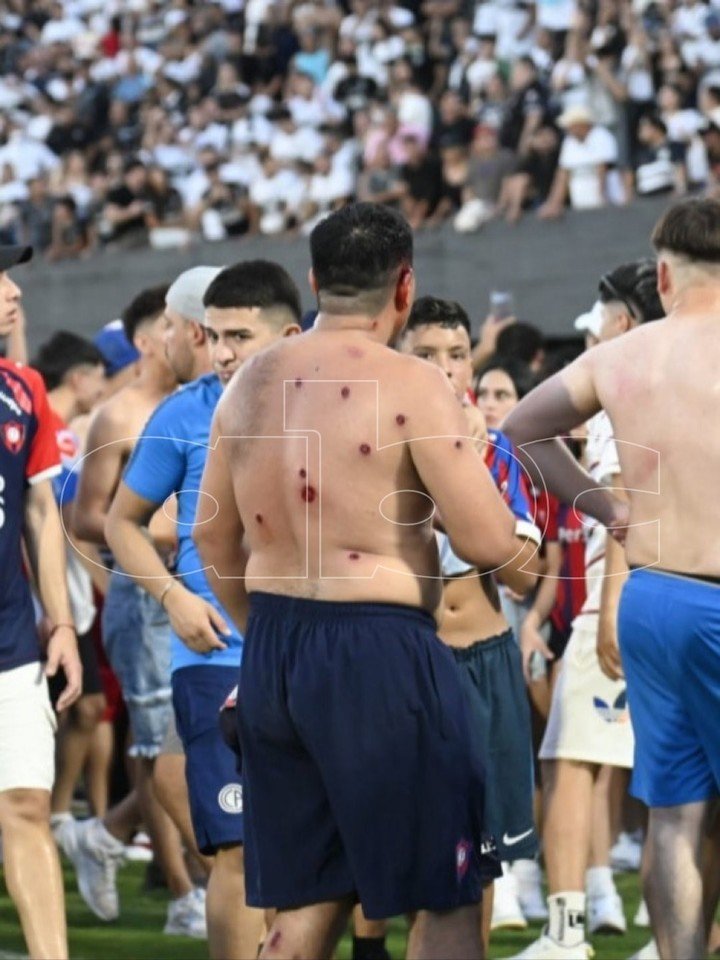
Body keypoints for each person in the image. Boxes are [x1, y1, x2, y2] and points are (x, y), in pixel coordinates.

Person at [194, 203, 520, 960]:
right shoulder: (411, 381)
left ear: (314, 281)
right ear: (404, 287)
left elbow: (212, 534)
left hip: (274, 646)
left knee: (306, 904)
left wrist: (259, 630)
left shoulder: (247, 385)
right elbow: (488, 540)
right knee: (443, 895)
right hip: (380, 649)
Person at [504, 198, 720, 960]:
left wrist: (608, 508)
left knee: (676, 809)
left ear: (663, 276)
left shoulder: (623, 355)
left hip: (655, 595)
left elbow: (521, 429)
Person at [105, 261, 303, 959]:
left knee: (309, 857)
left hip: (309, 655)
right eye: (214, 336)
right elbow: (120, 522)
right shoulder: (183, 413)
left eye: (239, 336)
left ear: (288, 334)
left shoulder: (332, 406)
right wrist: (172, 595)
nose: (221, 353)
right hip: (213, 653)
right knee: (239, 852)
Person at [506, 258, 664, 960]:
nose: (591, 339)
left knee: (567, 763)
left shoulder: (621, 393)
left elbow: (624, 504)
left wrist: (608, 612)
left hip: (620, 602)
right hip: (681, 598)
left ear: (623, 321)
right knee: (680, 779)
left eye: (598, 324)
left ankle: (565, 931)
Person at [399, 295, 541, 946]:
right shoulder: (375, 446)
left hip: (487, 657)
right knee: (423, 864)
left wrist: (471, 476)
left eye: (457, 355)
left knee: (481, 864)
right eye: (424, 354)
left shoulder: (499, 452)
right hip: (415, 665)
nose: (444, 369)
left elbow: (523, 573)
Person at [68, 284, 203, 937]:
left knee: (183, 739)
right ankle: (184, 892)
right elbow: (87, 514)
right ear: (153, 339)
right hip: (137, 591)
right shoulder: (118, 416)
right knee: (155, 743)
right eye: (183, 327)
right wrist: (163, 532)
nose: (196, 339)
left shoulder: (195, 405)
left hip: (195, 591)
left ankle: (107, 832)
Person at [0, 244, 82, 960]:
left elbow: (42, 512)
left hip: (10, 641)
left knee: (26, 805)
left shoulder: (22, 389)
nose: (12, 290)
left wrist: (60, 622)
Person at [31, 332, 109, 832]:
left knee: (82, 708)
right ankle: (51, 813)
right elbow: (67, 523)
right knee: (76, 706)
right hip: (53, 597)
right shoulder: (56, 433)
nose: (102, 389)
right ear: (78, 377)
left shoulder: (45, 422)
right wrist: (109, 584)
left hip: (51, 596)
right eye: (99, 378)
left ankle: (53, 813)